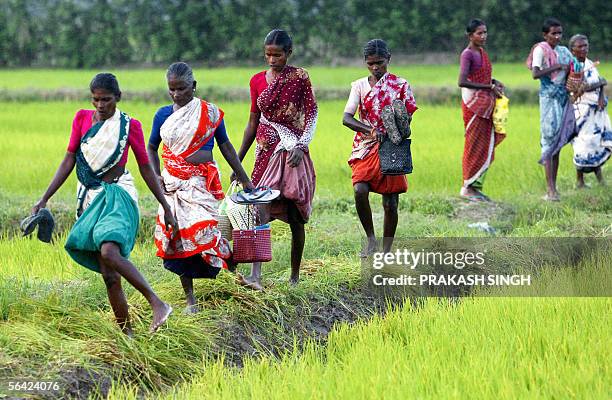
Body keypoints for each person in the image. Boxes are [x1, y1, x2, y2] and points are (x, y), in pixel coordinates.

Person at [31, 73, 178, 335]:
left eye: (106, 100)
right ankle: (127, 336)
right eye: (96, 100)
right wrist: (45, 197)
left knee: (110, 252)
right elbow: (68, 160)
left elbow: (145, 167)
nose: (101, 105)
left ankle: (158, 303)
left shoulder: (129, 125)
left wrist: (166, 207)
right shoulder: (80, 119)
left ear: (117, 98)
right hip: (90, 197)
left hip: (118, 195)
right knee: (109, 277)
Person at [148, 62, 255, 312]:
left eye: (182, 89)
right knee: (180, 239)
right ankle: (190, 300)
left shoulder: (210, 114)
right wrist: (157, 176)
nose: (177, 94)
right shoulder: (163, 115)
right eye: (172, 90)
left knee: (210, 231)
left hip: (200, 184)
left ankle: (236, 277)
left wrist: (244, 178)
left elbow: (226, 147)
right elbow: (151, 148)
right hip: (173, 184)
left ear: (193, 87)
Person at [233, 29, 317, 290]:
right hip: (265, 151)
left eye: (277, 55)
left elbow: (312, 114)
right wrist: (238, 161)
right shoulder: (257, 80)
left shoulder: (300, 78)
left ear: (288, 54)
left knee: (296, 215)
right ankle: (255, 275)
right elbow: (252, 122)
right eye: (268, 55)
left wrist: (301, 146)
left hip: (291, 152)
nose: (272, 60)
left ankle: (294, 276)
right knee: (259, 209)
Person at [342, 39, 417, 257]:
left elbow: (407, 117)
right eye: (371, 63)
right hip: (365, 145)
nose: (376, 68)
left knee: (390, 202)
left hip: (392, 145)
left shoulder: (401, 85)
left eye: (380, 63)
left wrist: (397, 127)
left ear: (388, 59)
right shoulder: (359, 86)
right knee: (359, 190)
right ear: (365, 62)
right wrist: (371, 130)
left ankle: (386, 250)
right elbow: (347, 118)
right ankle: (371, 239)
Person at [457, 19, 506, 202]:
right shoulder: (467, 54)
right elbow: (462, 81)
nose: (483, 36)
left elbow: (482, 76)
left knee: (485, 145)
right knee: (473, 145)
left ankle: (475, 187)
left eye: (485, 32)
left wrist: (494, 82)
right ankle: (467, 186)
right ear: (470, 36)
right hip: (473, 105)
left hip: (485, 105)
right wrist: (488, 87)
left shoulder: (482, 53)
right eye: (479, 33)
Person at [527, 17, 574, 201]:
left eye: (559, 33)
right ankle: (550, 189)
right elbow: (535, 73)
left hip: (563, 99)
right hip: (548, 100)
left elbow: (572, 69)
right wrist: (556, 66)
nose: (557, 37)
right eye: (553, 33)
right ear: (545, 35)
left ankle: (554, 188)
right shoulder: (541, 49)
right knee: (548, 142)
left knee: (558, 144)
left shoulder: (563, 51)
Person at [568, 34, 611, 187]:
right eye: (580, 46)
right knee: (582, 144)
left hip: (596, 110)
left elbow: (598, 83)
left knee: (596, 143)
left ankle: (600, 179)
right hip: (581, 111)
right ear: (572, 50)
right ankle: (579, 180)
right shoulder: (573, 66)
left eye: (585, 45)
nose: (584, 49)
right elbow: (579, 88)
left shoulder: (590, 63)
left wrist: (601, 96)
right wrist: (601, 82)